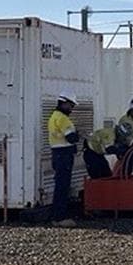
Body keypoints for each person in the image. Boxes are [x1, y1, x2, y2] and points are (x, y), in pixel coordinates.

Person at [47, 92, 81, 227]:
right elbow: (71, 138)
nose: (71, 109)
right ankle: (59, 217)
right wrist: (77, 135)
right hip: (64, 155)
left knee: (60, 185)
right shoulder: (63, 119)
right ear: (64, 103)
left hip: (57, 154)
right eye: (71, 106)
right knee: (62, 186)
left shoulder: (53, 117)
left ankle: (58, 215)